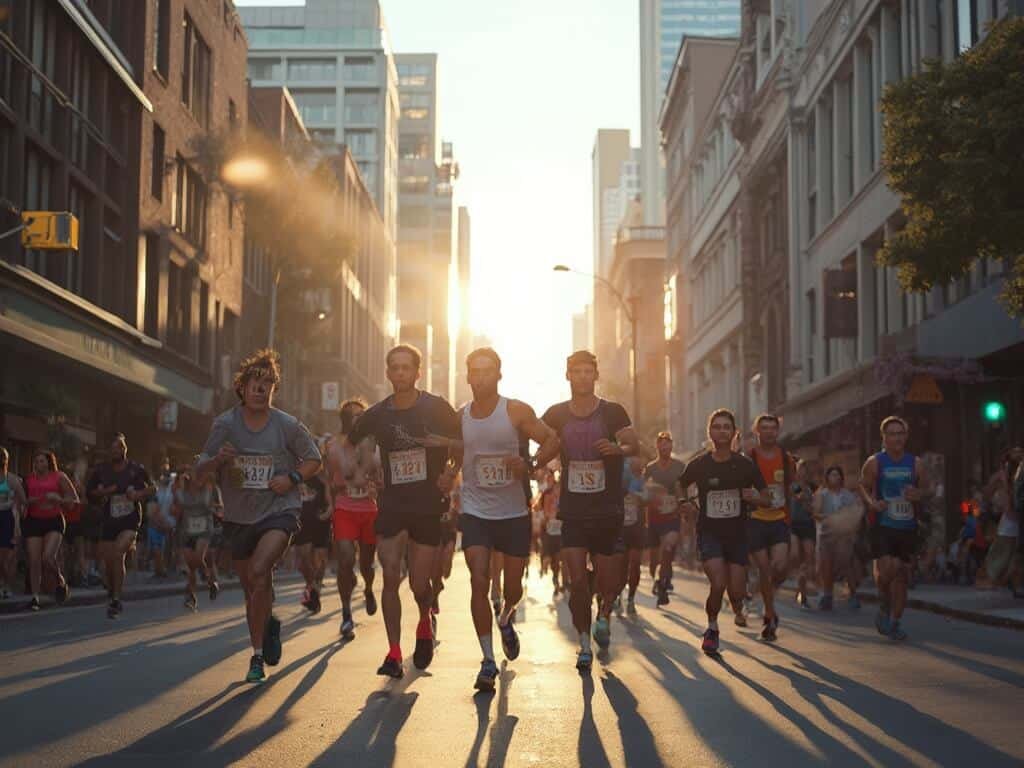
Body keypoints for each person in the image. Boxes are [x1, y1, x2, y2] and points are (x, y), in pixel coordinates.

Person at [196, 349, 321, 683]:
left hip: (280, 511)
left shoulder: (287, 425)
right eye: (255, 383)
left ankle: (255, 658)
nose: (260, 389)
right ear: (242, 387)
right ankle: (267, 624)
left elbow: (313, 459)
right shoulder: (224, 424)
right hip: (238, 518)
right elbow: (198, 471)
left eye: (267, 384)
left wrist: (291, 478)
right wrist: (216, 461)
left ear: (273, 390)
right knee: (253, 588)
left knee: (259, 569)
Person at [343, 344, 461, 679]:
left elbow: (461, 444)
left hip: (427, 503)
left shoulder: (437, 408)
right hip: (392, 503)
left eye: (406, 367)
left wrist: (449, 474)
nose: (400, 373)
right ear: (387, 372)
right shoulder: (378, 413)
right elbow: (352, 443)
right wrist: (369, 467)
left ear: (417, 372)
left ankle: (425, 622)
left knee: (419, 585)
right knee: (391, 575)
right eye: (394, 367)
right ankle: (394, 652)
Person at [453, 347, 558, 691]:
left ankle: (507, 617)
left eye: (488, 371)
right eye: (475, 371)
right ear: (467, 376)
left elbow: (552, 440)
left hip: (513, 512)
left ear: (499, 375)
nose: (481, 377)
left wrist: (529, 466)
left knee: (512, 588)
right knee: (478, 582)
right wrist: (446, 475)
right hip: (475, 511)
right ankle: (486, 661)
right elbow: (453, 456)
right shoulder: (460, 417)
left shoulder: (515, 411)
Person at [541, 350, 638, 672]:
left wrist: (617, 449)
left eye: (588, 372)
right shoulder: (555, 413)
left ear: (595, 376)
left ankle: (604, 615)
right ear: (567, 375)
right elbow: (541, 442)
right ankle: (584, 643)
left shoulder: (612, 412)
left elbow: (633, 443)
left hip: (607, 509)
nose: (582, 377)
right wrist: (531, 463)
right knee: (578, 582)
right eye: (576, 372)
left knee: (607, 583)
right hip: (573, 511)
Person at [677, 410, 768, 654]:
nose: (722, 431)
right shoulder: (700, 464)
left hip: (738, 535)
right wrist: (682, 502)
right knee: (717, 583)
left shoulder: (745, 465)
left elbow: (767, 497)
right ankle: (712, 628)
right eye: (717, 427)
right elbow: (680, 484)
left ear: (734, 432)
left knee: (736, 592)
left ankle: (738, 600)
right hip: (710, 532)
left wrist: (756, 498)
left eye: (727, 427)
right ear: (710, 432)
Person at [860, 416, 932, 641]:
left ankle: (895, 621)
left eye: (901, 434)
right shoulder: (875, 462)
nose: (897, 438)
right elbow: (862, 486)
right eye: (892, 434)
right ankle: (884, 601)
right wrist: (872, 503)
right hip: (883, 524)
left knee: (901, 574)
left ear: (906, 437)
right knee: (887, 569)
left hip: (907, 526)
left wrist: (918, 494)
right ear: (884, 437)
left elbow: (928, 489)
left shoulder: (916, 463)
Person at [326, 398, 379, 639]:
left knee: (367, 563)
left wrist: (377, 484)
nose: (356, 418)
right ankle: (346, 613)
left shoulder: (375, 444)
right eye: (352, 415)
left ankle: (368, 587)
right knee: (345, 558)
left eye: (361, 415)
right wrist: (330, 505)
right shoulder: (334, 444)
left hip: (369, 508)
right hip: (344, 507)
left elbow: (381, 475)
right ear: (344, 419)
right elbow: (328, 477)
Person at [87, 435, 155, 619]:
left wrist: (137, 494)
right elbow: (89, 492)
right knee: (107, 564)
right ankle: (112, 592)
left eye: (120, 447)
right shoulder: (101, 470)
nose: (116, 451)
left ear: (125, 449)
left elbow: (152, 488)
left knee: (118, 553)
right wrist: (102, 492)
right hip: (109, 520)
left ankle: (116, 599)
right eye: (113, 448)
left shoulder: (136, 469)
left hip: (130, 520)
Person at [746, 414, 798, 641]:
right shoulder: (750, 457)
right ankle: (769, 613)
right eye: (764, 428)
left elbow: (789, 488)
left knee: (779, 568)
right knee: (765, 570)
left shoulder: (786, 458)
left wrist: (790, 514)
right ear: (757, 431)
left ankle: (763, 596)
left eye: (772, 428)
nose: (768, 432)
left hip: (778, 519)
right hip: (755, 519)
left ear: (778, 432)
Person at [24, 449, 78, 610]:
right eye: (36, 461)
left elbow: (74, 500)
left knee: (47, 557)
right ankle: (35, 597)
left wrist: (59, 499)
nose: (39, 464)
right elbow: (21, 500)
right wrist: (29, 501)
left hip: (54, 520)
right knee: (34, 560)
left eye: (42, 461)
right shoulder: (28, 480)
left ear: (49, 462)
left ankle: (60, 580)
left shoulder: (59, 476)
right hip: (34, 520)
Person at [812, 466, 863, 610]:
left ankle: (853, 594)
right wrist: (831, 518)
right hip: (826, 535)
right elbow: (816, 513)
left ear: (841, 478)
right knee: (826, 566)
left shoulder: (848, 495)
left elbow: (854, 514)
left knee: (847, 564)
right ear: (827, 478)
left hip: (844, 535)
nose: (835, 477)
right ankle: (828, 596)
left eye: (837, 475)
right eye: (832, 475)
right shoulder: (822, 494)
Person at [644, 432, 686, 607]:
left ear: (672, 446)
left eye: (668, 445)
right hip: (654, 517)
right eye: (662, 445)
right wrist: (653, 491)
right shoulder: (650, 468)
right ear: (657, 447)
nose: (665, 448)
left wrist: (683, 504)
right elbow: (642, 489)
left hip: (672, 516)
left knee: (668, 550)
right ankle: (657, 578)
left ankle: (663, 585)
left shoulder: (680, 467)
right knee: (655, 558)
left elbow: (685, 488)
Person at [173, 464, 221, 610]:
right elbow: (177, 506)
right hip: (187, 531)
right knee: (191, 566)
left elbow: (216, 506)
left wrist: (215, 508)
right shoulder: (182, 490)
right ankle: (194, 594)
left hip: (204, 529)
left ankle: (208, 581)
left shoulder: (210, 488)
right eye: (193, 475)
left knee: (199, 558)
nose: (196, 478)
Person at [294, 469, 331, 615]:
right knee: (304, 559)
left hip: (320, 521)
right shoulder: (293, 474)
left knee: (319, 559)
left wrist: (328, 512)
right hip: (301, 522)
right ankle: (312, 586)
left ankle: (315, 591)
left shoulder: (321, 476)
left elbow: (329, 502)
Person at [618, 456, 648, 615]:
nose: (637, 462)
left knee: (635, 564)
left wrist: (639, 496)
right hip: (621, 529)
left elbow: (648, 497)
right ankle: (618, 595)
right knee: (622, 567)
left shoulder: (643, 481)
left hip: (637, 528)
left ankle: (631, 598)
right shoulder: (620, 477)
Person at [789, 459, 818, 608]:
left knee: (809, 555)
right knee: (795, 555)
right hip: (793, 525)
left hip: (807, 525)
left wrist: (809, 504)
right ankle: (798, 580)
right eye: (800, 469)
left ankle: (803, 591)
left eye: (805, 470)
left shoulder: (812, 488)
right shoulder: (791, 486)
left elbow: (814, 509)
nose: (803, 472)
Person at [0, 447, 27, 600]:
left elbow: (24, 501)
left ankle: (6, 585)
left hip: (7, 518)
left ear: (7, 460)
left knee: (4, 558)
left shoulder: (12, 479)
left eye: (2, 457)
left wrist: (19, 513)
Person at [148, 464, 175, 579]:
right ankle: (159, 570)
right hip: (155, 523)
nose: (165, 478)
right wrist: (157, 521)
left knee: (167, 549)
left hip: (170, 524)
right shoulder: (154, 490)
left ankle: (164, 569)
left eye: (167, 475)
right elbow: (151, 510)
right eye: (163, 476)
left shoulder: (172, 490)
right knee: (157, 548)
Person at [539, 467, 563, 593]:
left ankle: (556, 578)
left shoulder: (564, 492)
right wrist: (545, 518)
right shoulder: (546, 493)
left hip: (560, 529)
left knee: (558, 557)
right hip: (549, 529)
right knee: (550, 555)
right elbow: (539, 508)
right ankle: (548, 569)